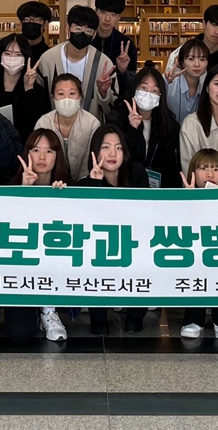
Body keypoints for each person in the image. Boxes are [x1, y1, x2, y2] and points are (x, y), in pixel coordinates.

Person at [77, 126, 150, 335]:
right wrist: (95, 183)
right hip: (100, 246)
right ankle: (99, 319)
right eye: (106, 147)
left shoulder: (137, 173)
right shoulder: (84, 184)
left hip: (134, 241)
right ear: (95, 151)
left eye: (118, 148)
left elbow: (147, 211)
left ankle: (135, 316)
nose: (112, 154)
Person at [4, 128, 72, 344]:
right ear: (27, 154)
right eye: (36, 150)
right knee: (19, 333)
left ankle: (49, 310)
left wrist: (63, 200)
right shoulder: (11, 188)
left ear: (57, 156)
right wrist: (25, 190)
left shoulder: (68, 188)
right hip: (21, 271)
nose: (42, 157)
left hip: (55, 268)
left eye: (49, 151)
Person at [179, 148, 218, 340]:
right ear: (193, 173)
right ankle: (193, 319)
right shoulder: (181, 200)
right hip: (194, 259)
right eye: (203, 168)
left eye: (216, 169)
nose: (210, 174)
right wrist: (190, 201)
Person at [37, 5, 120, 115]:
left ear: (94, 34)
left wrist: (103, 93)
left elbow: (113, 107)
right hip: (55, 123)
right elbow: (38, 102)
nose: (82, 33)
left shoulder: (104, 63)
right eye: (77, 28)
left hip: (92, 124)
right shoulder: (47, 59)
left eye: (88, 31)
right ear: (68, 28)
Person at [107, 68, 182, 188]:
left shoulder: (168, 124)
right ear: (135, 88)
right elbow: (115, 156)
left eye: (154, 91)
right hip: (124, 185)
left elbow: (170, 166)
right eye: (144, 88)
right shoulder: (118, 117)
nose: (148, 94)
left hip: (156, 189)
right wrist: (132, 130)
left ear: (160, 95)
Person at [33, 73, 102, 181]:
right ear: (53, 97)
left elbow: (89, 164)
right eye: (61, 94)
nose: (66, 99)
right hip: (51, 183)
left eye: (72, 93)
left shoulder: (92, 124)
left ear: (80, 96)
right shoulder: (43, 123)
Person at [0, 32, 49, 133]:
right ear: (0, 56)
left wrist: (28, 87)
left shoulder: (37, 91)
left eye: (18, 54)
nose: (12, 58)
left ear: (26, 58)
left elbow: (35, 123)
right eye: (7, 53)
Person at [164, 4, 218, 76]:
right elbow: (169, 79)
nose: (217, 32)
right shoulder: (181, 52)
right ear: (204, 23)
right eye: (214, 25)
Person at [91, 0, 138, 93]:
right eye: (103, 12)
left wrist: (122, 71)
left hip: (116, 99)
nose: (107, 19)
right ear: (96, 12)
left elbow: (131, 86)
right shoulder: (86, 39)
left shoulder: (126, 44)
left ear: (119, 17)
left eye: (113, 15)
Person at [164, 37, 211, 122]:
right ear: (182, 62)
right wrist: (165, 81)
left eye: (202, 59)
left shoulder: (207, 90)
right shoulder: (169, 83)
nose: (197, 64)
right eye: (191, 59)